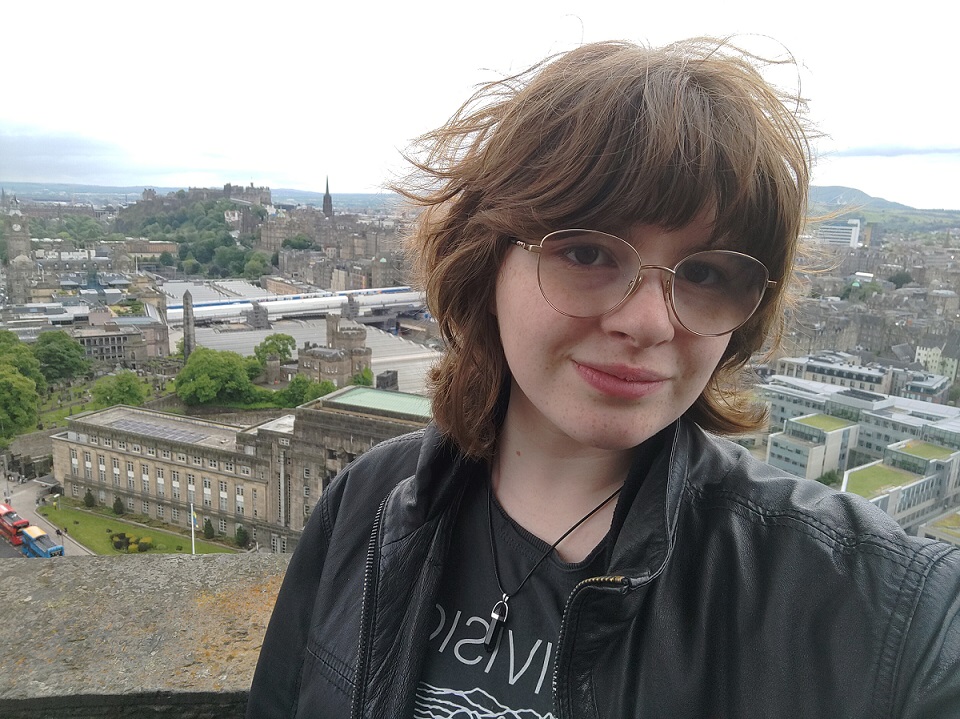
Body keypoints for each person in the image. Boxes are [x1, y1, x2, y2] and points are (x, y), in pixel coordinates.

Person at [247, 38, 960, 718]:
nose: (648, 321)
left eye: (708, 273)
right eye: (587, 252)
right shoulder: (363, 505)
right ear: (487, 258)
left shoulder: (866, 596)